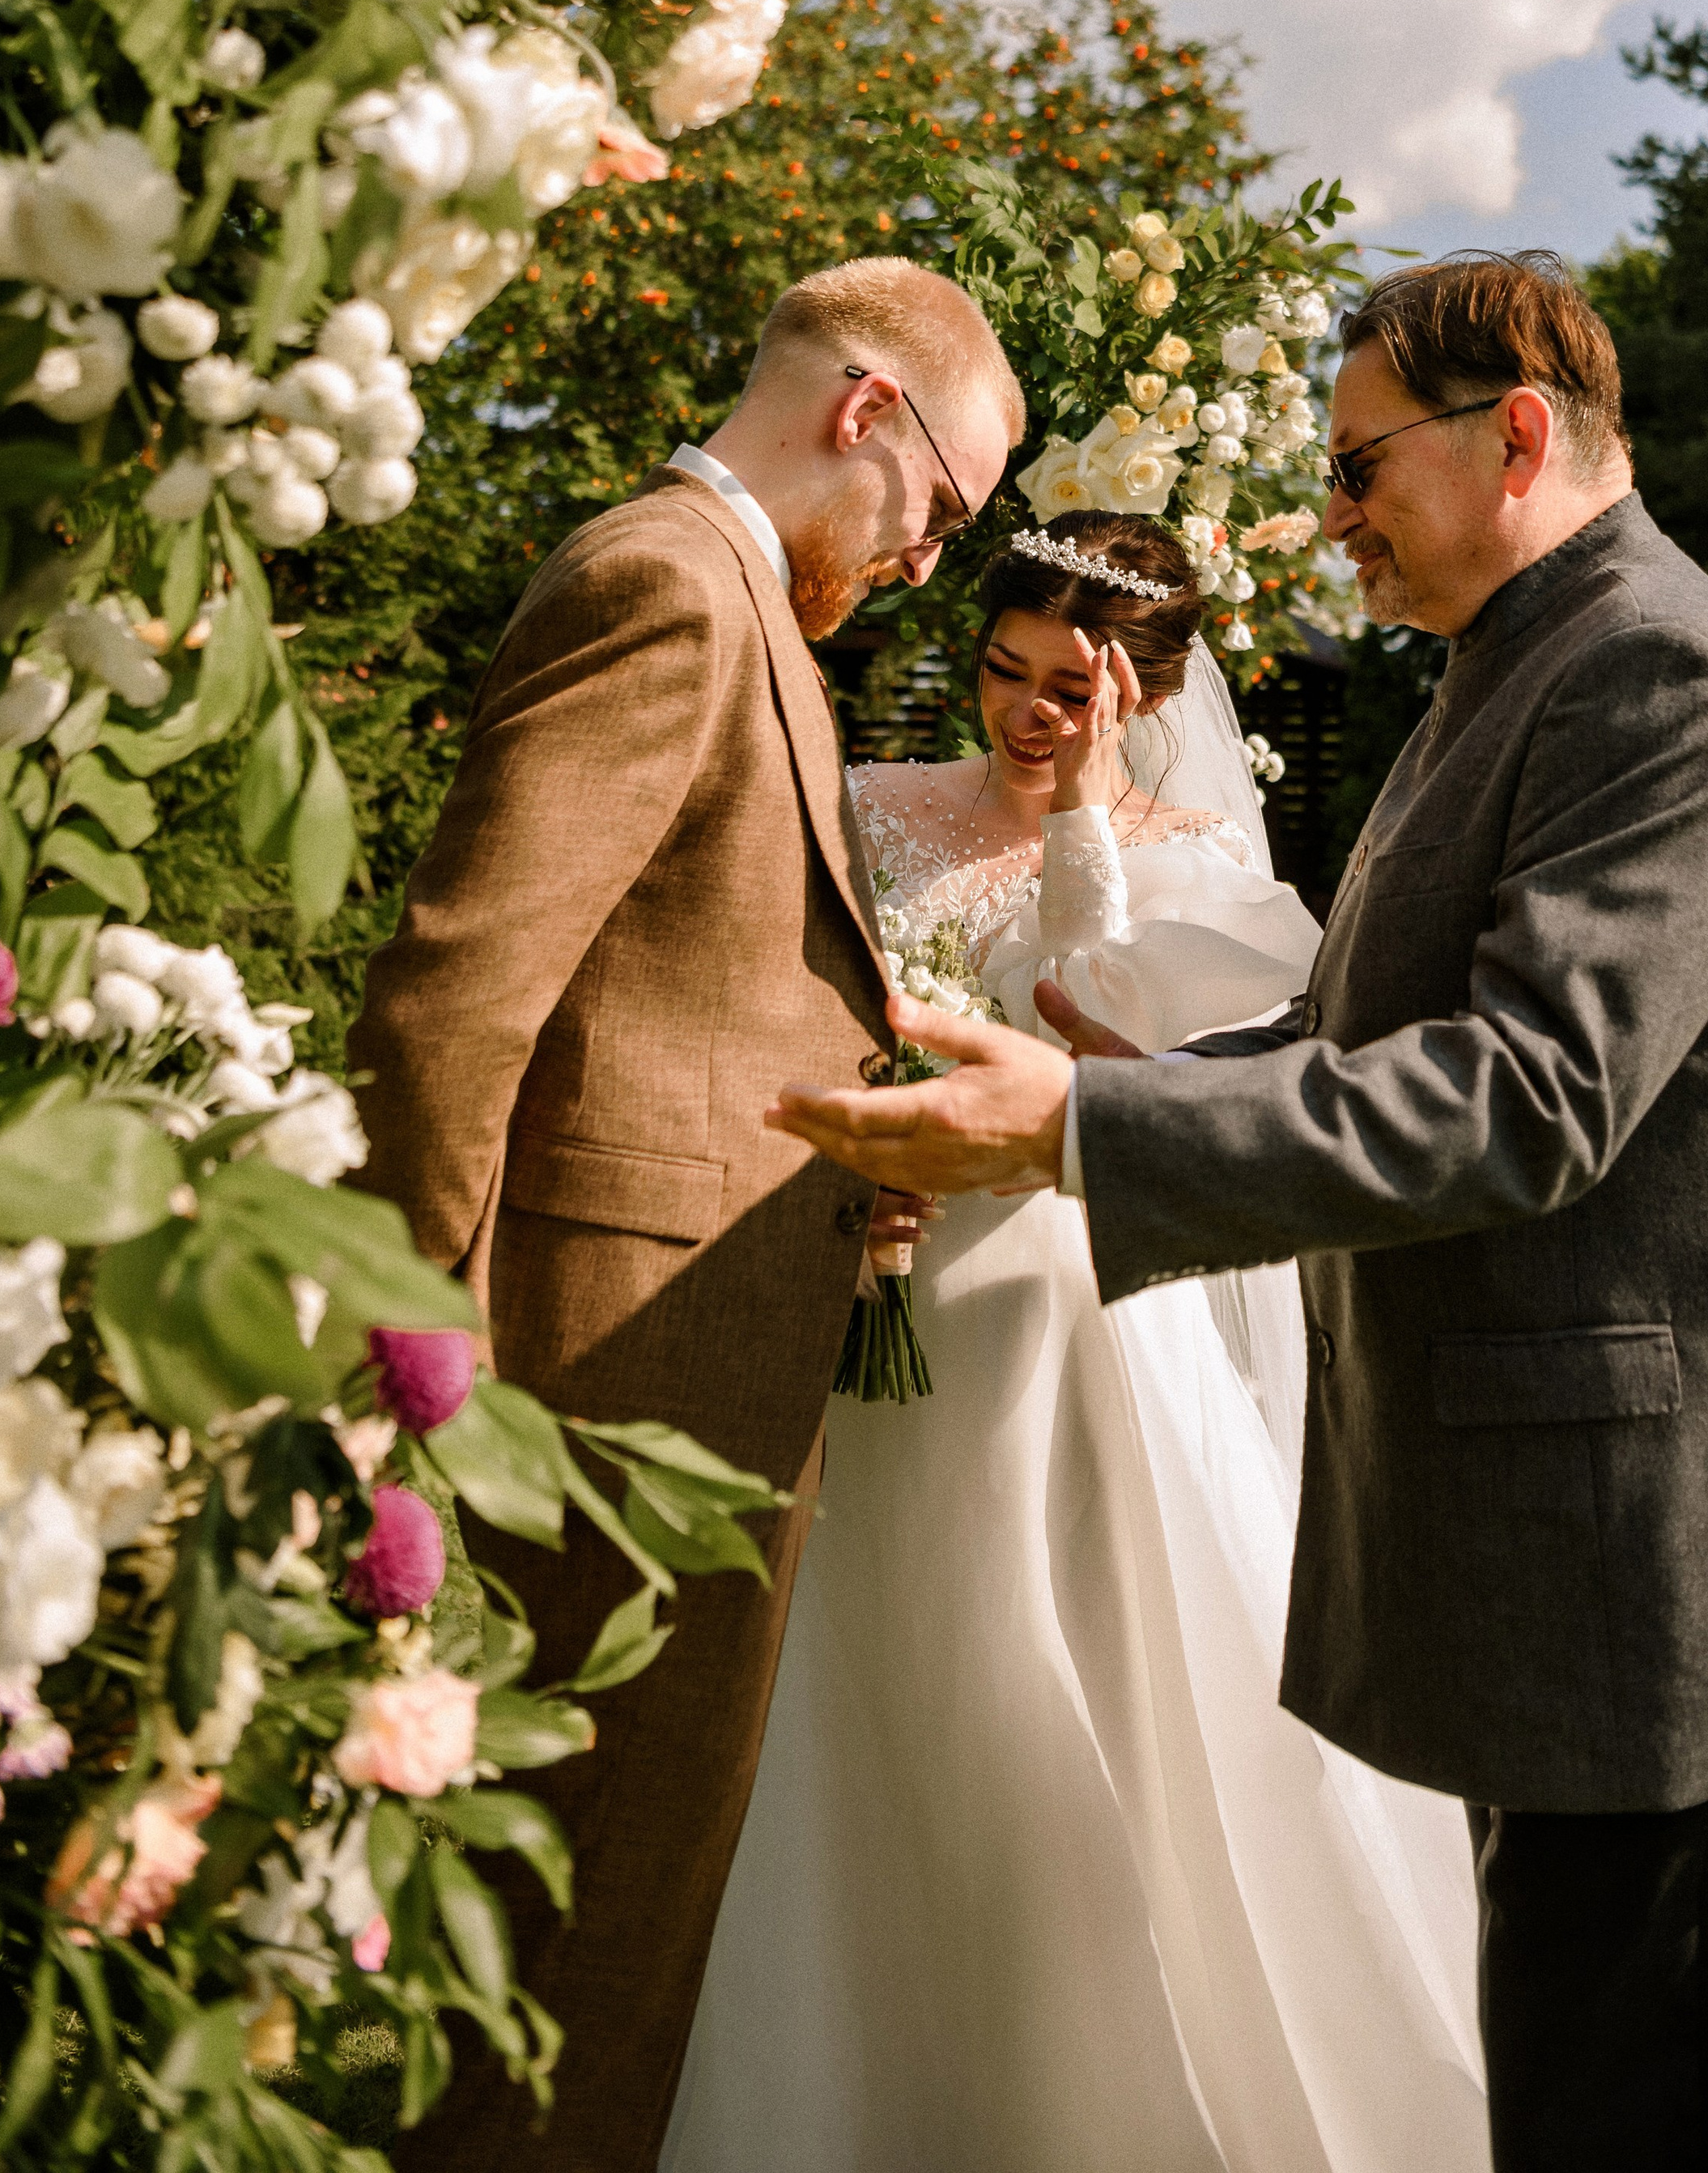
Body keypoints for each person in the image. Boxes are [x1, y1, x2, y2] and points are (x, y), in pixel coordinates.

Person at [769, 251, 1708, 2173]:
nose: (1326, 514)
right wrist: (1103, 1086)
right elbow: (1350, 1026)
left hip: (1689, 1566)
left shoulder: (1664, 665)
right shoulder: (1516, 656)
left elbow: (1528, 1087)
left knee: (1636, 2117)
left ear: (1511, 433)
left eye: (1355, 465)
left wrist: (1072, 1129)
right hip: (1579, 1551)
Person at [668, 513, 1489, 2173]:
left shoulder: (1205, 870)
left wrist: (1076, 824)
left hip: (1082, 1323)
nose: (1026, 713)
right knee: (870, 1685)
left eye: (1067, 687)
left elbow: (1118, 1049)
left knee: (1079, 1680)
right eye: (1000, 673)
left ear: (1140, 690)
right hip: (872, 1290)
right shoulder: (876, 807)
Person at [351, 259, 1022, 2173]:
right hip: (591, 1386)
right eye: (941, 510)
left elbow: (670, 992)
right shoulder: (666, 579)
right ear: (866, 410)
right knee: (572, 1928)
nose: (924, 560)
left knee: (623, 1912)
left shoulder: (748, 608)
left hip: (695, 1369)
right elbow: (452, 1001)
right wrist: (419, 1383)